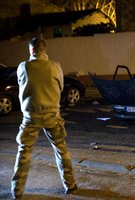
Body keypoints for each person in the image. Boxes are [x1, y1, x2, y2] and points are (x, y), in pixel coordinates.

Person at [11, 37, 77, 199]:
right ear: (44, 50)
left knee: (23, 152)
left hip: (30, 118)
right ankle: (70, 185)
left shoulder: (23, 67)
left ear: (31, 50)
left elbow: (22, 84)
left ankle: (17, 191)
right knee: (61, 150)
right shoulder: (55, 67)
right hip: (52, 117)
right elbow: (60, 88)